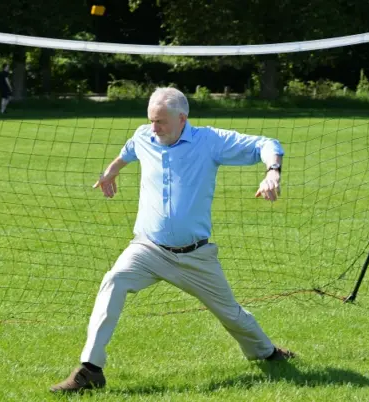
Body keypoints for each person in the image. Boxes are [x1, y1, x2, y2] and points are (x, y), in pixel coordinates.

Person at [50, 87, 295, 393]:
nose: (154, 128)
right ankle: (90, 370)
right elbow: (129, 150)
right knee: (114, 281)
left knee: (231, 315)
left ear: (182, 118)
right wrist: (110, 173)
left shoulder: (209, 141)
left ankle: (267, 353)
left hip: (195, 256)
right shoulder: (145, 135)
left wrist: (273, 172)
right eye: (151, 121)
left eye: (161, 122)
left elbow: (266, 143)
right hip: (148, 248)